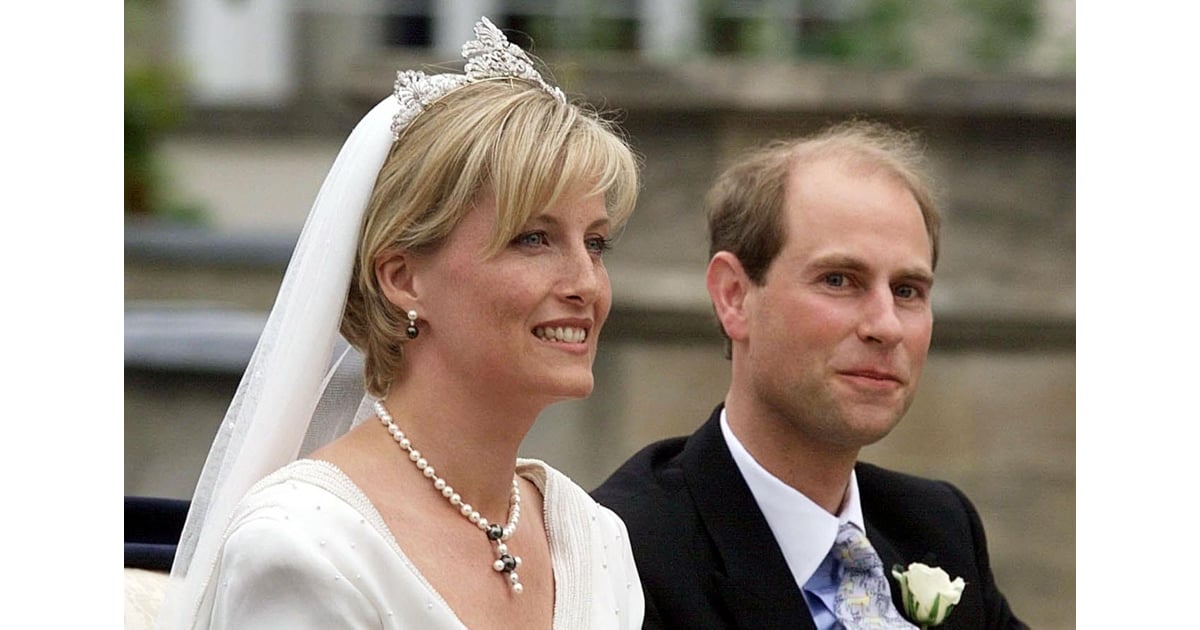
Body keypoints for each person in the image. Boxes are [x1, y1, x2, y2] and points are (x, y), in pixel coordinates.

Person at [157, 17, 643, 629]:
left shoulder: (592, 537)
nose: (585, 284)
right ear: (403, 279)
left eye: (596, 243)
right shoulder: (304, 544)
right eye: (533, 239)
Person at [592, 122, 1025, 629]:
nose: (886, 325)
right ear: (734, 296)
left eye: (907, 290)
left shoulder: (939, 527)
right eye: (839, 280)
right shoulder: (622, 551)